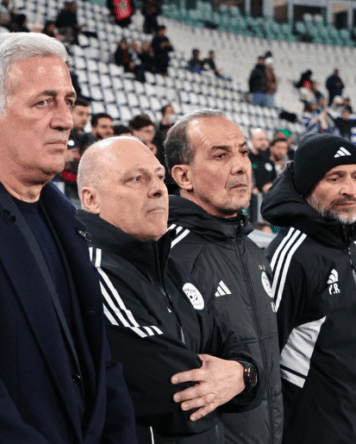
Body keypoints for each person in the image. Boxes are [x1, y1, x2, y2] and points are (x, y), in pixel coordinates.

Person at [0, 32, 138, 444]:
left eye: (68, 101)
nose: (65, 119)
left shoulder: (64, 216)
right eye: (43, 102)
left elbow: (101, 363)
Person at [77, 137, 263, 444]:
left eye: (159, 177)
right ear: (91, 199)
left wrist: (243, 375)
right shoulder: (94, 271)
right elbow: (175, 394)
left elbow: (239, 347)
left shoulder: (167, 265)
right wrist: (240, 379)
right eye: (136, 179)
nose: (158, 189)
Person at [164, 109, 283, 444]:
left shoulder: (252, 249)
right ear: (183, 176)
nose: (241, 166)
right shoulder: (168, 256)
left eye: (243, 152)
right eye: (221, 155)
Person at [261, 134, 356, 444]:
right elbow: (263, 354)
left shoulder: (348, 240)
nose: (350, 188)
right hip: (312, 429)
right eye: (335, 178)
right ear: (306, 187)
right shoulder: (292, 254)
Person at [249, 128, 275, 193]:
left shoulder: (269, 161)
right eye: (260, 139)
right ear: (252, 140)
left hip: (267, 196)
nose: (264, 142)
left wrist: (271, 185)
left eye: (266, 139)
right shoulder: (247, 159)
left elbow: (274, 179)